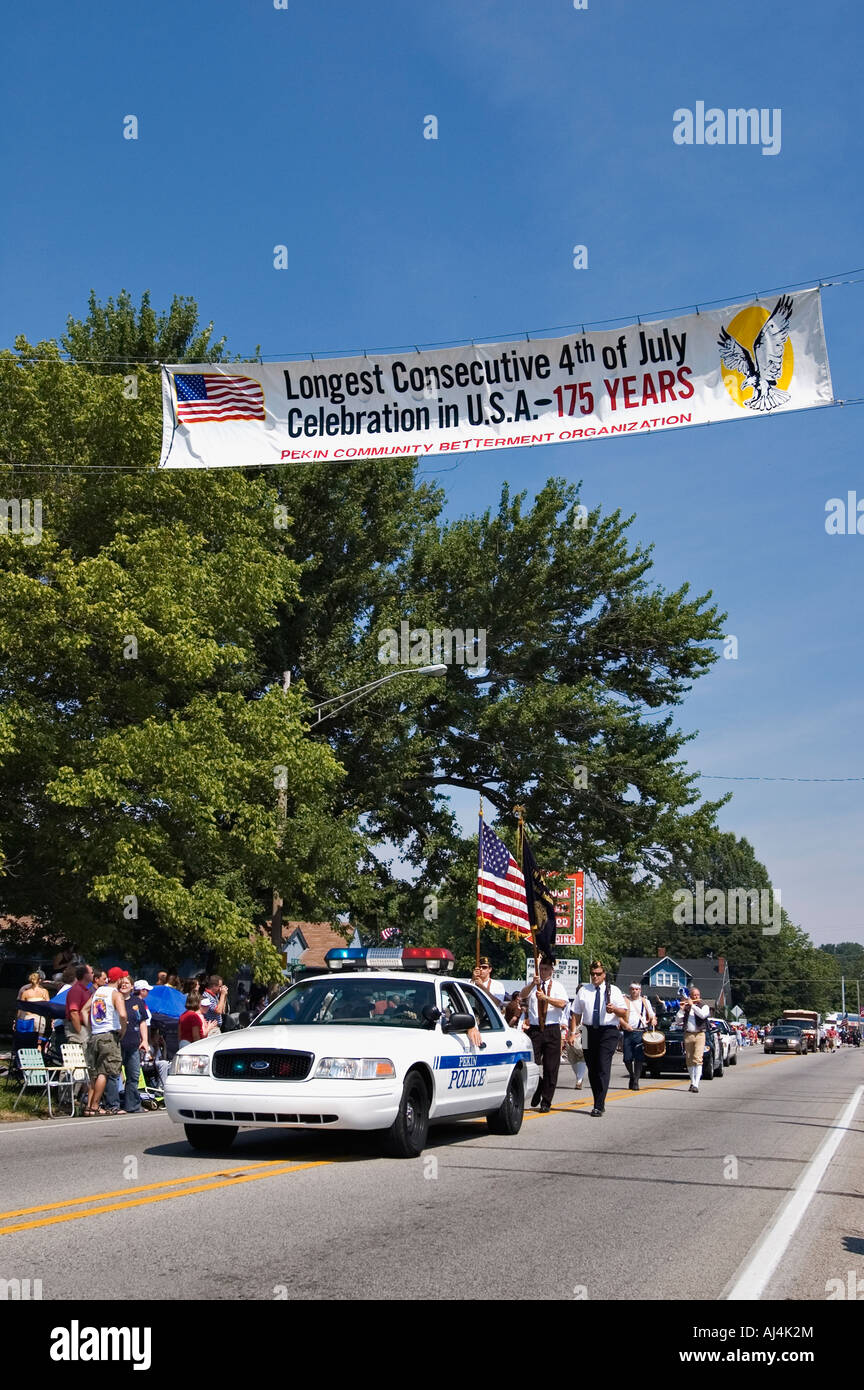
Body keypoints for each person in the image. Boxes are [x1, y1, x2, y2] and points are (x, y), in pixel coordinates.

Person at [567, 960, 629, 1116]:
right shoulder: (584, 991)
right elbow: (576, 1013)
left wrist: (614, 1009)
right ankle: (597, 1098)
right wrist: (573, 1032)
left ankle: (599, 1104)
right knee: (592, 1067)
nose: (595, 976)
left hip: (608, 1031)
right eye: (592, 974)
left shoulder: (613, 991)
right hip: (588, 1031)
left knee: (602, 1065)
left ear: (604, 975)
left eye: (598, 974)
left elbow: (623, 1012)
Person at [519, 956, 569, 1112]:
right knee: (529, 1065)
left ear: (552, 970)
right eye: (541, 968)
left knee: (551, 1068)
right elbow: (522, 995)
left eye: (546, 969)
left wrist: (546, 998)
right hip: (535, 1029)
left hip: (552, 1028)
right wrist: (532, 984)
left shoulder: (558, 986)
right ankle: (539, 1086)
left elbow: (562, 1003)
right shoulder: (534, 985)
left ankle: (546, 1101)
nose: (543, 971)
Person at [81, 967, 128, 1115]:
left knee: (94, 1073)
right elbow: (123, 1014)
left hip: (95, 1035)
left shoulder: (97, 992)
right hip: (109, 1035)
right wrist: (123, 1029)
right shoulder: (116, 994)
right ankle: (95, 1106)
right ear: (119, 979)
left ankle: (88, 1106)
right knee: (105, 1072)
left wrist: (91, 1028)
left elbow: (83, 1010)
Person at [119, 979, 152, 1113]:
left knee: (133, 1075)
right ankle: (114, 1105)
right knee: (114, 1075)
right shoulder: (115, 1000)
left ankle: (131, 1105)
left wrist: (145, 1040)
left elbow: (142, 1022)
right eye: (122, 983)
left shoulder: (137, 1002)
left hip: (134, 1043)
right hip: (118, 1043)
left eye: (127, 983)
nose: (124, 985)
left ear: (132, 986)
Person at [621, 982, 657, 1091]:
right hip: (628, 1032)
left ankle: (636, 1080)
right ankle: (632, 1075)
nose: (634, 991)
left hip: (641, 1032)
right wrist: (625, 1025)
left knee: (639, 1058)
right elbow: (619, 1017)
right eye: (632, 989)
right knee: (627, 1058)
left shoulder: (645, 1002)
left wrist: (653, 1019)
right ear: (629, 990)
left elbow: (651, 1015)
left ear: (640, 990)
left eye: (637, 989)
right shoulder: (625, 1001)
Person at [675, 987, 711, 1093]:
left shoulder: (704, 1006)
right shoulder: (686, 1007)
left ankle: (696, 1084)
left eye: (697, 995)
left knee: (698, 1059)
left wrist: (693, 1006)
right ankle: (692, 1082)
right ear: (690, 996)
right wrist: (681, 1009)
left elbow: (703, 1015)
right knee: (689, 1059)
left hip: (700, 1034)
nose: (696, 997)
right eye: (694, 995)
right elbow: (677, 1020)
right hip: (688, 1034)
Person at [65, 963, 96, 1056]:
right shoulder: (76, 990)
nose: (94, 975)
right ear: (85, 975)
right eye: (92, 972)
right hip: (78, 1029)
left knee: (86, 1059)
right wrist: (79, 1032)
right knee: (76, 1059)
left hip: (86, 1027)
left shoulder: (86, 990)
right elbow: (73, 1012)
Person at [560, 997, 588, 1090]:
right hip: (570, 1031)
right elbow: (565, 1017)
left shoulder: (588, 1005)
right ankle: (579, 1076)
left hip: (585, 1031)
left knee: (583, 1053)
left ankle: (579, 1080)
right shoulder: (570, 1005)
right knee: (571, 1056)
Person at [16, 972, 50, 1039]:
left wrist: (17, 1020)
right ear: (39, 980)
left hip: (28, 1018)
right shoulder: (44, 992)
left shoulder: (25, 992)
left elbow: (21, 1008)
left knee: (27, 1039)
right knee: (39, 1041)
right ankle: (38, 1049)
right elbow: (49, 1006)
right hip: (39, 1018)